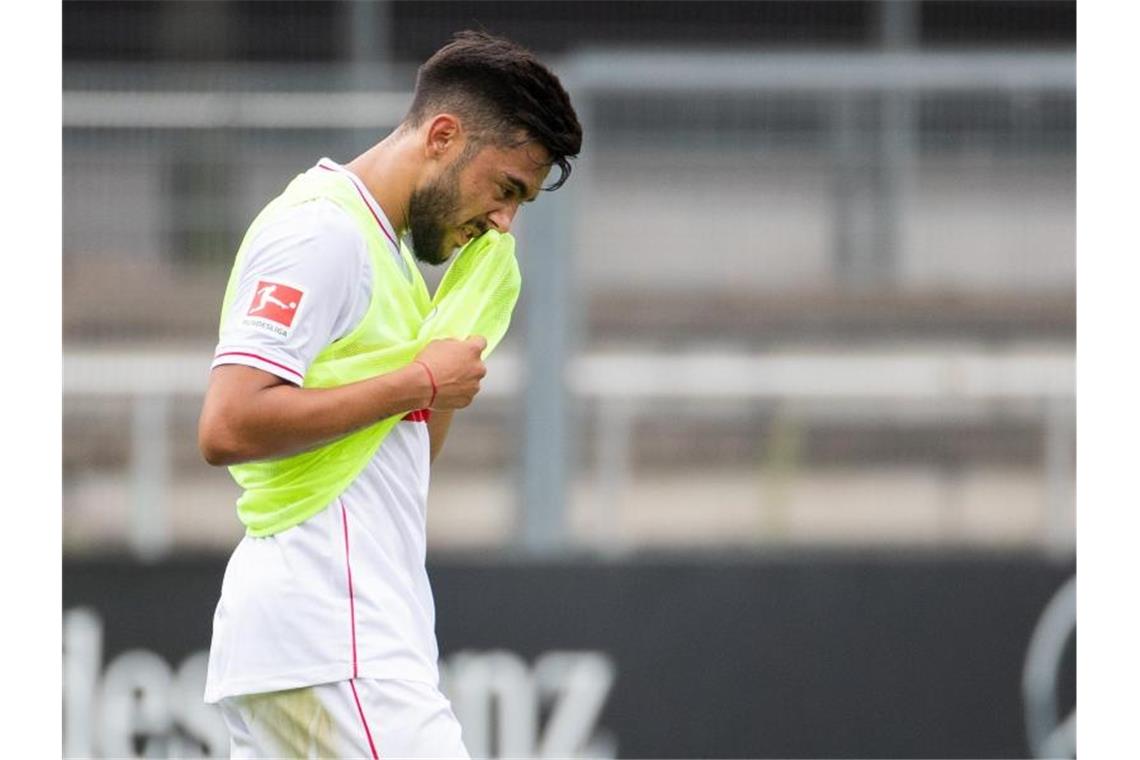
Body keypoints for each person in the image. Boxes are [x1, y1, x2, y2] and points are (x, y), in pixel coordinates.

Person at [197, 30, 581, 758]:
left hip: (339, 639)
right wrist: (420, 379)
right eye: (506, 190)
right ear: (443, 135)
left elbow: (395, 456)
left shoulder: (393, 260)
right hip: (332, 637)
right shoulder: (323, 233)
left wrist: (447, 352)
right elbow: (228, 423)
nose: (505, 222)